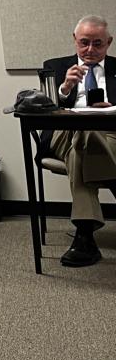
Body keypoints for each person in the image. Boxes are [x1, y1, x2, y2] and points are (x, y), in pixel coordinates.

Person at [41, 15, 116, 267]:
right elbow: (44, 108)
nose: (90, 50)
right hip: (66, 134)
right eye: (84, 43)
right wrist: (64, 89)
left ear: (109, 42)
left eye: (98, 43)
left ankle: (84, 237)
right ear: (74, 40)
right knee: (82, 133)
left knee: (79, 153)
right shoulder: (55, 66)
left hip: (109, 135)